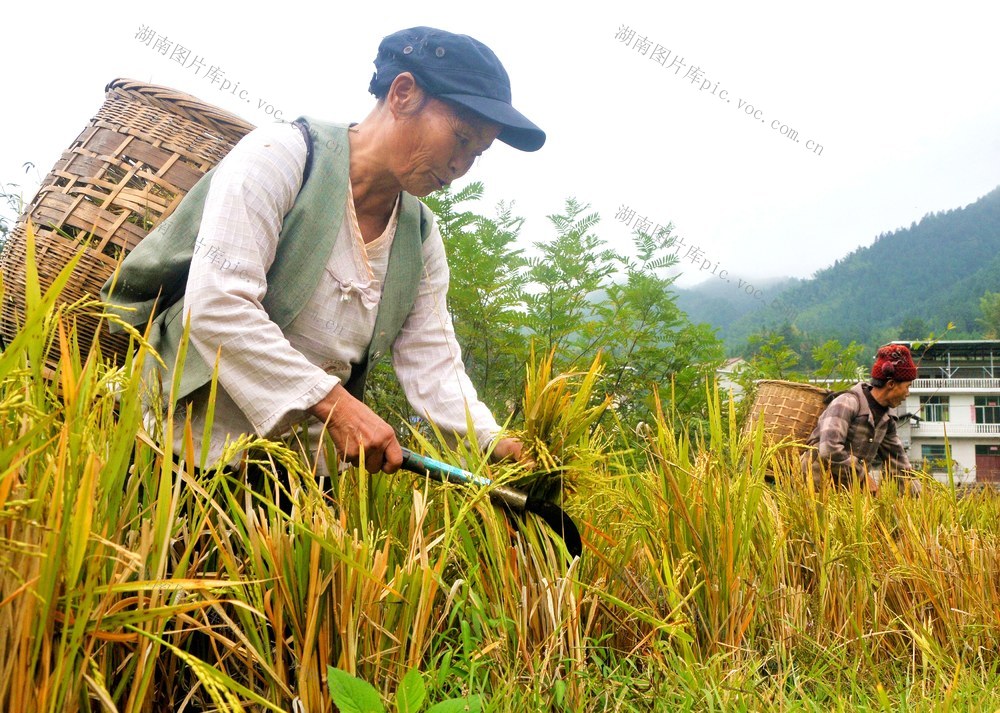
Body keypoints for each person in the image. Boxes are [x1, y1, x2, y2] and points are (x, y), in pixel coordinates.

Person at [102, 26, 545, 477]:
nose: (461, 166)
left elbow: (433, 363)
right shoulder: (281, 157)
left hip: (295, 480)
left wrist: (492, 441)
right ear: (404, 94)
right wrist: (334, 403)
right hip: (177, 448)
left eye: (479, 153)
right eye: (461, 138)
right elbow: (217, 303)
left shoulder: (420, 237)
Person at [801, 344, 920, 492]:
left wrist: (924, 503)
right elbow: (829, 450)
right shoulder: (847, 403)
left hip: (847, 493)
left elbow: (899, 466)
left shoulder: (887, 420)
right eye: (907, 386)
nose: (907, 393)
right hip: (815, 489)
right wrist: (863, 477)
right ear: (891, 384)